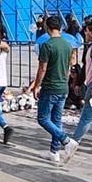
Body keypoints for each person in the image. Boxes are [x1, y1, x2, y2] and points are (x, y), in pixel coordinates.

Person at [27, 15, 78, 164]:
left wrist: (36, 86)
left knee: (43, 118)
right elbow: (69, 68)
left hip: (50, 87)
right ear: (60, 27)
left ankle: (66, 140)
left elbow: (42, 68)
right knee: (56, 120)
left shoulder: (47, 45)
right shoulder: (68, 45)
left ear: (47, 28)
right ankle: (54, 152)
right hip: (63, 87)